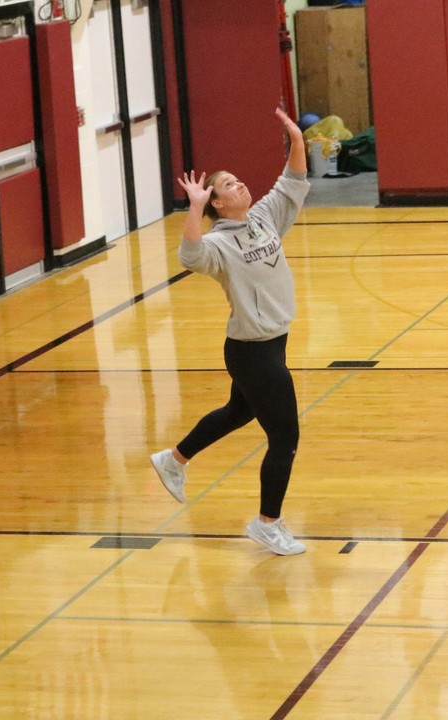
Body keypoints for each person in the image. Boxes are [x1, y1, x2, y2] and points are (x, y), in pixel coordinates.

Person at [150, 106, 310, 556]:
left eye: (238, 180)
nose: (239, 185)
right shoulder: (217, 243)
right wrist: (193, 209)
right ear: (217, 204)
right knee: (285, 439)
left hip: (271, 342)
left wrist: (296, 139)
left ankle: (173, 460)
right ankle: (267, 523)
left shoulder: (264, 217)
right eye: (228, 185)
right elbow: (189, 257)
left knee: (239, 412)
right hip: (252, 351)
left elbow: (293, 181)